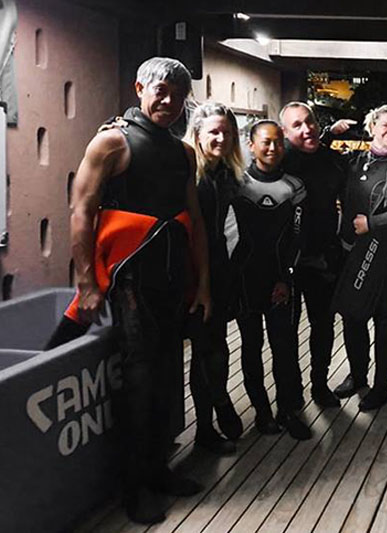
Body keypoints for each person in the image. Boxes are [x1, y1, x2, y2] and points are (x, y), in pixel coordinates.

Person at [69, 57, 210, 524]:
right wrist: (87, 282)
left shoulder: (183, 152)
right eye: (160, 90)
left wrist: (202, 284)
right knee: (140, 382)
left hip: (171, 280)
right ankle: (134, 488)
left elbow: (194, 222)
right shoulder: (112, 142)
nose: (168, 101)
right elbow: (81, 212)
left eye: (177, 95)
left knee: (166, 377)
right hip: (130, 283)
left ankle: (158, 469)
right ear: (139, 88)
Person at [332, 103, 387, 411]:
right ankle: (358, 377)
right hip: (351, 252)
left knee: (385, 320)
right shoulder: (354, 162)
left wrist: (373, 223)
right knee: (352, 316)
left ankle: (382, 387)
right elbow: (315, 159)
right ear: (372, 127)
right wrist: (329, 133)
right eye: (385, 125)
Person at [230, 120, 311, 440]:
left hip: (281, 281)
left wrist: (285, 278)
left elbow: (299, 236)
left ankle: (287, 410)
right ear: (251, 145)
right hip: (245, 280)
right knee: (251, 347)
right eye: (266, 142)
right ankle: (262, 412)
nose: (273, 148)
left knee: (285, 348)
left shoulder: (294, 186)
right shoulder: (237, 183)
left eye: (278, 142)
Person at [183, 102, 245, 455]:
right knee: (203, 349)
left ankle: (214, 411)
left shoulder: (228, 174)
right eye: (214, 132)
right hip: (189, 271)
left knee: (215, 346)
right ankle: (208, 424)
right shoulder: (188, 174)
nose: (221, 138)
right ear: (197, 134)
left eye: (227, 133)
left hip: (220, 268)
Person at [280, 102, 350, 408]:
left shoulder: (333, 160)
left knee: (323, 327)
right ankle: (292, 394)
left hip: (324, 258)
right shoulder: (278, 161)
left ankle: (319, 384)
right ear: (285, 132)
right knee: (286, 333)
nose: (306, 128)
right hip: (287, 262)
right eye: (297, 125)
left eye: (309, 121)